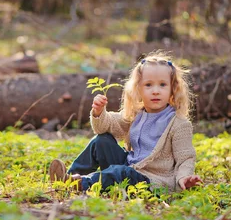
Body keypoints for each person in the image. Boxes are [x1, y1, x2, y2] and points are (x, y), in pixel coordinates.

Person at [49, 51, 202, 193]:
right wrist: (99, 112)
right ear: (138, 89)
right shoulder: (137, 115)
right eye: (148, 85)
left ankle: (81, 184)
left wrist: (183, 178)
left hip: (152, 179)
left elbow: (185, 158)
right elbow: (107, 125)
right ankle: (68, 177)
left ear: (172, 89)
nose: (156, 91)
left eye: (162, 85)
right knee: (101, 141)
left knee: (120, 172)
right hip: (130, 167)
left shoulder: (179, 124)